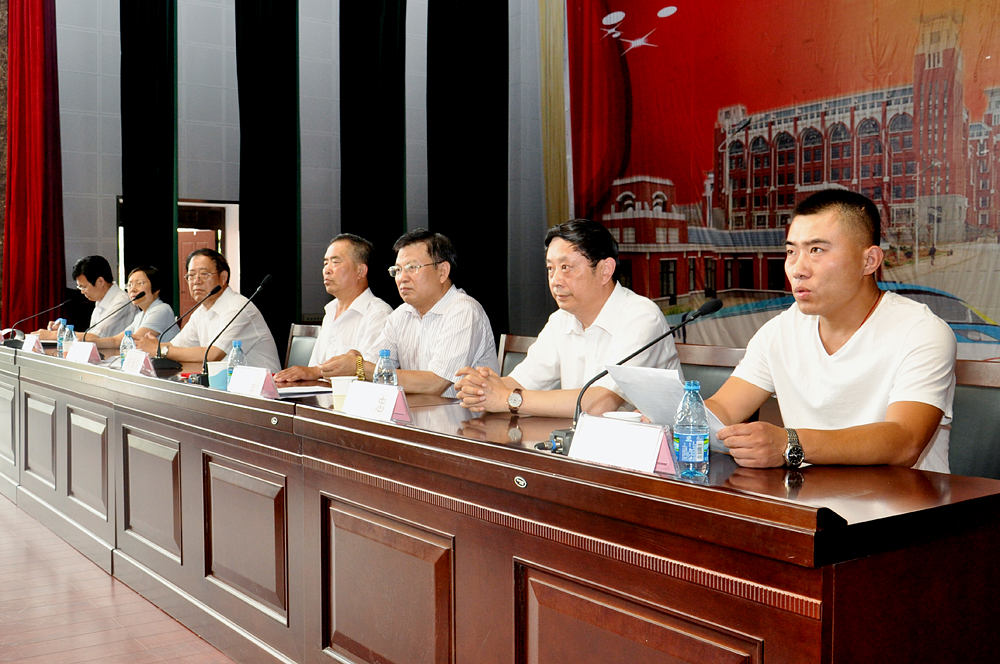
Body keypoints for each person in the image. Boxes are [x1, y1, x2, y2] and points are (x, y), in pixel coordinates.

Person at [706, 189, 956, 472]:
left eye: (816, 250)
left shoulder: (921, 331)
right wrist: (677, 420)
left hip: (900, 497)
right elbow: (723, 409)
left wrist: (789, 443)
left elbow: (905, 441)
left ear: (869, 261)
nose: (798, 269)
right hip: (804, 495)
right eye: (791, 252)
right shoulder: (778, 331)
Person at [455, 219, 680, 417]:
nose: (555, 281)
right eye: (550, 268)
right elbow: (522, 382)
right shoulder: (561, 320)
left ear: (605, 270)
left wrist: (508, 399)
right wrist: (482, 389)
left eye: (566, 267)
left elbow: (601, 403)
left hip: (655, 447)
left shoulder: (641, 317)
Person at [319, 229, 498, 396]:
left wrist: (360, 367)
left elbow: (435, 383)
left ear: (442, 271)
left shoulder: (464, 312)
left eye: (412, 267)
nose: (402, 278)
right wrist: (355, 362)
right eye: (397, 270)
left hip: (464, 418)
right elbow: (374, 363)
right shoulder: (401, 315)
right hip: (418, 414)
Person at [134, 248, 282, 373]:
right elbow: (177, 346)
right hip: (228, 386)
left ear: (223, 277)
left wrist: (160, 350)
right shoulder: (201, 311)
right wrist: (150, 345)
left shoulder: (238, 308)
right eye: (191, 275)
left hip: (264, 389)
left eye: (204, 274)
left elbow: (213, 354)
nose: (196, 280)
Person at [275, 234, 391, 382]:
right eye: (325, 263)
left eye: (335, 262)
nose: (327, 270)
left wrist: (317, 371)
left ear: (361, 271)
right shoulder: (330, 312)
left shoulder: (378, 314)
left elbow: (368, 373)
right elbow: (314, 367)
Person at [34, 255, 132, 340]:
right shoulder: (101, 301)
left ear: (100, 281)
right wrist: (63, 330)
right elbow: (89, 335)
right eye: (80, 287)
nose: (82, 292)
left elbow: (95, 337)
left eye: (84, 287)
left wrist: (54, 335)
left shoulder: (121, 301)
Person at [87, 266, 178, 354]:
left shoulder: (161, 310)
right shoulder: (139, 316)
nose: (133, 289)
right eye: (129, 285)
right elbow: (116, 341)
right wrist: (86, 341)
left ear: (156, 288)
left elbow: (134, 341)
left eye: (140, 283)